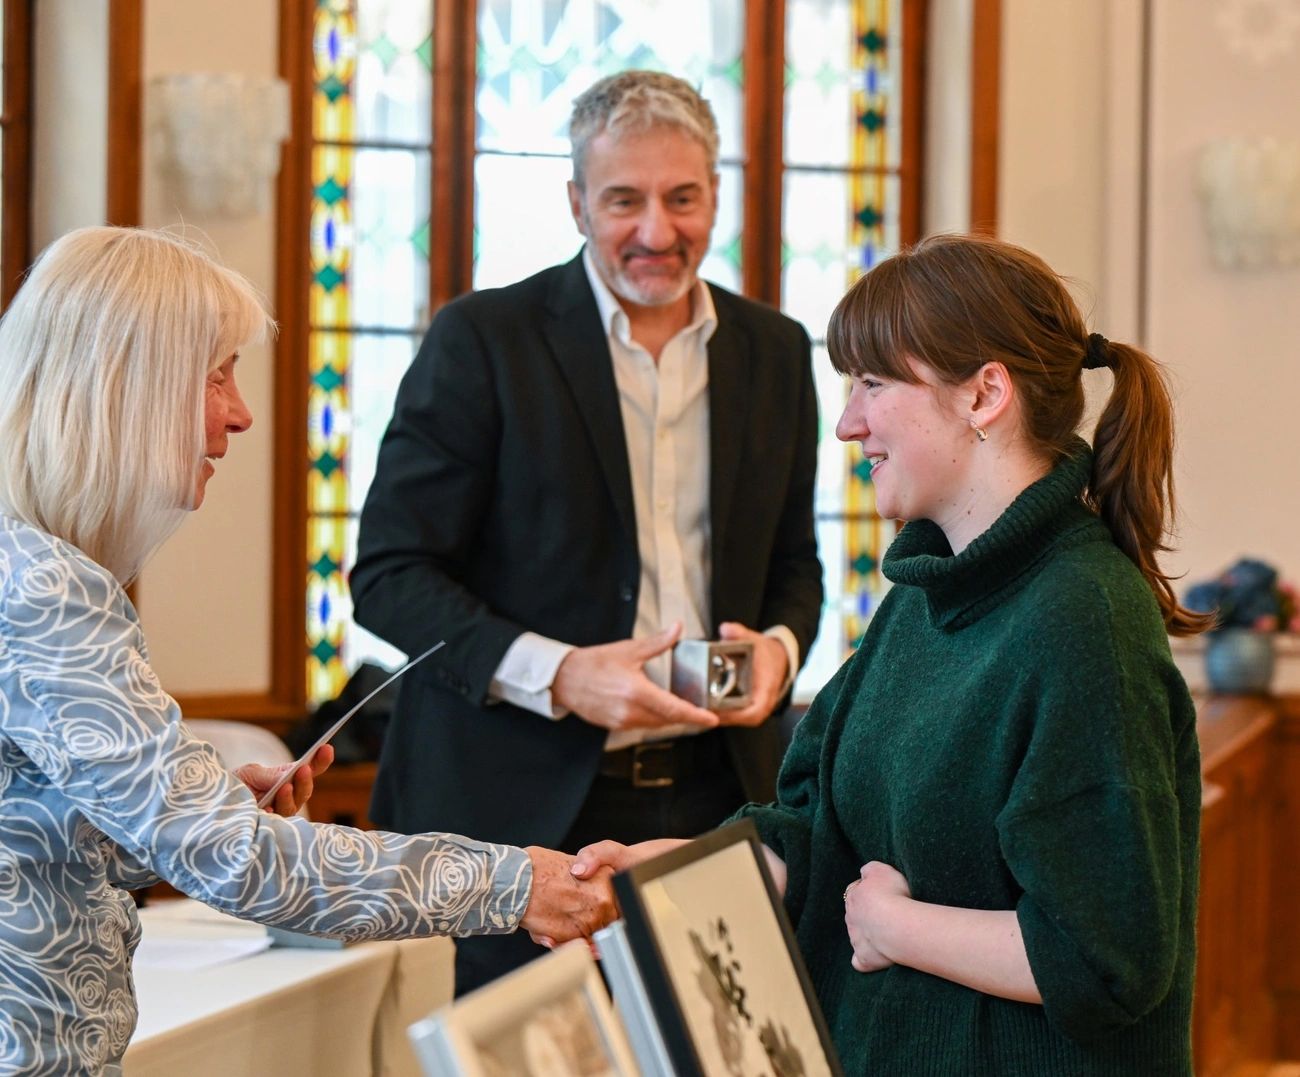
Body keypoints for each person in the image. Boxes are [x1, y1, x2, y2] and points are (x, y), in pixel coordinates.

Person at [574, 234, 1205, 1075]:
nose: (847, 422)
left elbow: (1106, 957)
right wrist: (670, 878)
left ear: (984, 394)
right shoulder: (924, 594)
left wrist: (896, 926)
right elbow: (814, 827)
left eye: (873, 383)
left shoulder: (1084, 617)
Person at [0, 227, 616, 1077]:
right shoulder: (45, 586)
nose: (241, 412)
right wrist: (515, 884)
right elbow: (235, 859)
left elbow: (32, 824)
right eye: (216, 373)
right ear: (126, 381)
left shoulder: (27, 564)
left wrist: (205, 802)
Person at [350, 70, 823, 994]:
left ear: (715, 195)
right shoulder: (483, 338)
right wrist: (561, 673)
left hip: (719, 797)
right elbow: (390, 575)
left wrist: (779, 646)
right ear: (576, 203)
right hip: (511, 816)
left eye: (681, 198)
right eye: (623, 200)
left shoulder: (775, 349)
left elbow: (794, 563)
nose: (656, 230)